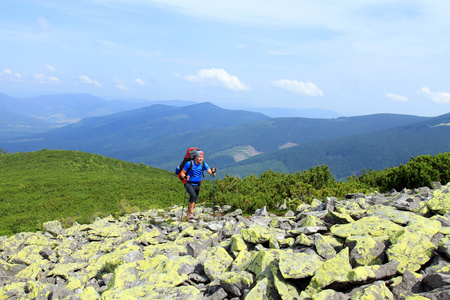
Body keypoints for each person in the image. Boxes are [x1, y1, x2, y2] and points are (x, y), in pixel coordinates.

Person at [179, 150, 215, 222]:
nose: (201, 158)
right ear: (196, 157)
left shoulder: (204, 164)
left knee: (193, 200)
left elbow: (212, 175)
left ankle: (188, 217)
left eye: (202, 157)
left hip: (197, 184)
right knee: (193, 196)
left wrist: (213, 171)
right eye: (199, 157)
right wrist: (185, 177)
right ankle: (192, 213)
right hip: (188, 183)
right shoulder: (189, 164)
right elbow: (182, 173)